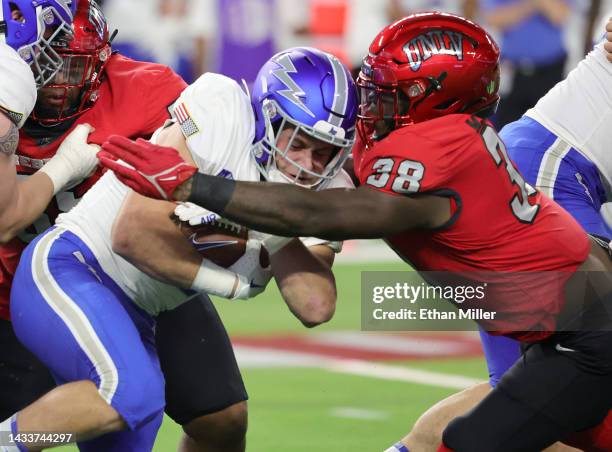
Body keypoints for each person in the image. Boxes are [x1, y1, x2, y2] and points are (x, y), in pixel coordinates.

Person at [101, 12, 612, 451]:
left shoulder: (440, 148)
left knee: (471, 442)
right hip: (556, 318)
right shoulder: (426, 135)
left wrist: (195, 187)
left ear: (438, 101)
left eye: (390, 93)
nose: (371, 101)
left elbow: (323, 215)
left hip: (582, 332)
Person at [7, 45, 357, 450]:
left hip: (145, 310)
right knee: (130, 393)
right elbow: (133, 232)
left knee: (180, 411)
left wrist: (280, 217)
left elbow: (314, 305)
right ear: (269, 118)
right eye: (298, 142)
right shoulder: (220, 109)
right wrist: (233, 285)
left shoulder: (327, 191)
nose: (309, 165)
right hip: (74, 266)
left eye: (324, 152)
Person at [2, 0, 267, 451]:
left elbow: (196, 179)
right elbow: (6, 218)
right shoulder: (6, 99)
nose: (59, 82)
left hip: (136, 279)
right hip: (13, 290)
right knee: (54, 424)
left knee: (221, 417)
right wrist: (61, 169)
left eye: (74, 65)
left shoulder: (149, 91)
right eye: (50, 64)